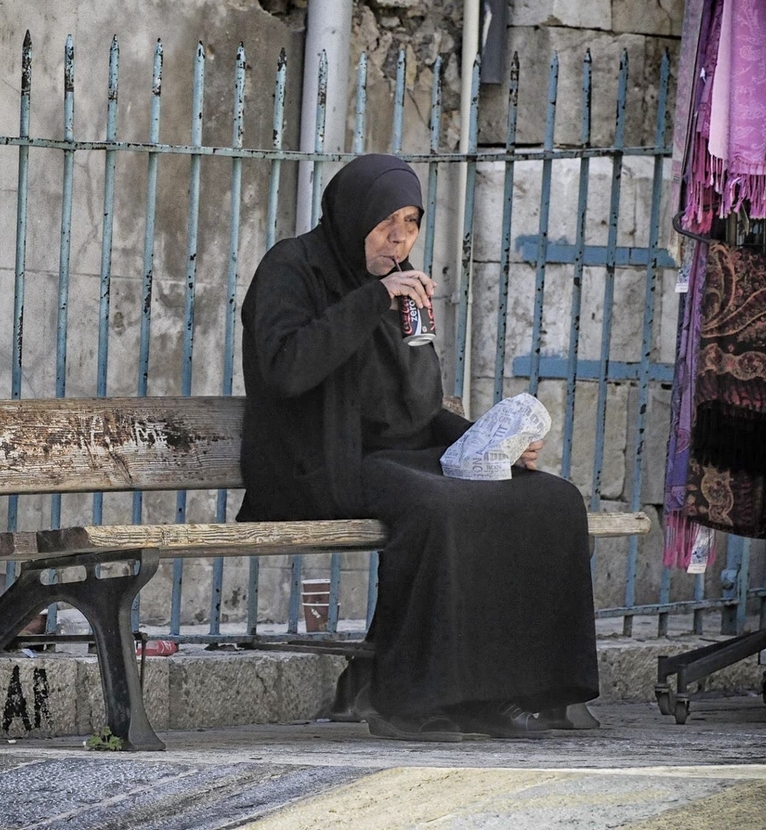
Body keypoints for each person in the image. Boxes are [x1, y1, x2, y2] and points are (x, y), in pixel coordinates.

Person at [237, 154, 599, 741]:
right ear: (353, 219)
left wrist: (492, 444)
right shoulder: (292, 267)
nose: (400, 237)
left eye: (411, 222)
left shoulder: (402, 287)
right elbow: (285, 370)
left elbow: (420, 409)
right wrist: (371, 300)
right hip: (320, 462)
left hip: (403, 458)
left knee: (548, 499)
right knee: (441, 508)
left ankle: (492, 692)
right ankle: (401, 697)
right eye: (386, 223)